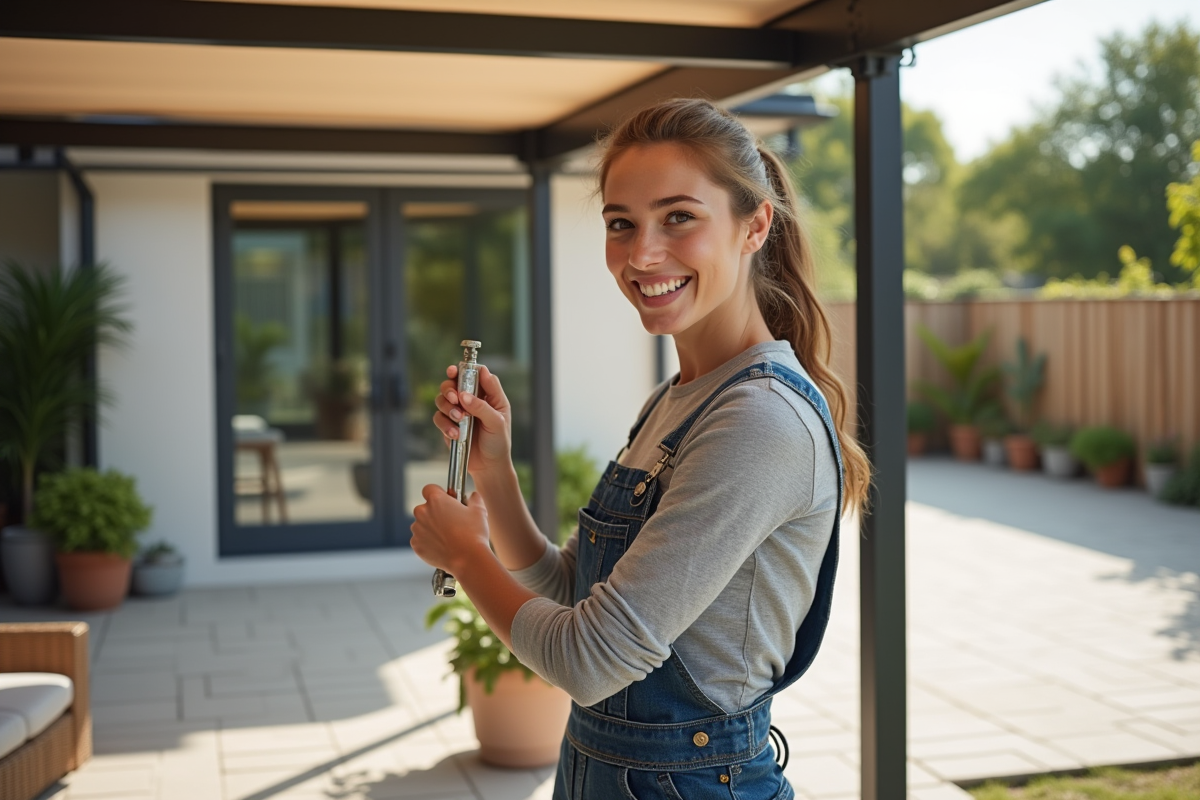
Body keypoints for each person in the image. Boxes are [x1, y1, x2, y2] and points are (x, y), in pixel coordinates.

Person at [410, 98, 871, 800]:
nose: (642, 254)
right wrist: (495, 470)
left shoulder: (758, 419)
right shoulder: (679, 398)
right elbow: (574, 594)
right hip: (611, 773)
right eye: (620, 224)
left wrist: (467, 557)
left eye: (679, 217)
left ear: (755, 226)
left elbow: (591, 659)